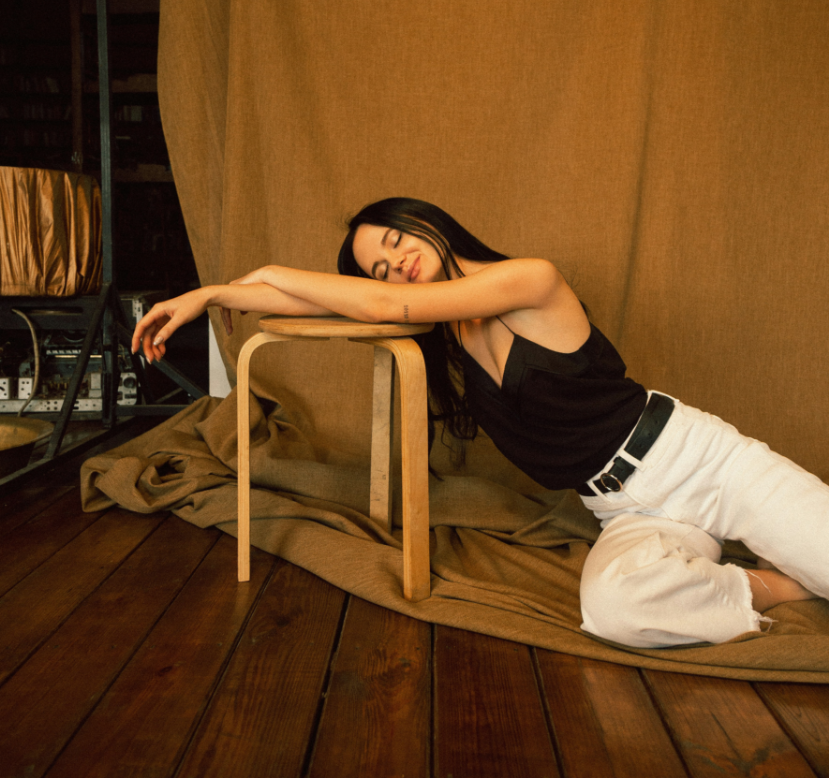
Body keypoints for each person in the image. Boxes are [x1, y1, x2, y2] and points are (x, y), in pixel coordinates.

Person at [132, 196, 828, 649]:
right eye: (381, 265)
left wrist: (250, 275)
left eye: (398, 237)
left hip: (700, 462)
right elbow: (338, 307)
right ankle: (770, 583)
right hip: (623, 508)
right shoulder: (447, 329)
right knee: (613, 609)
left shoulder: (530, 278)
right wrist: (216, 294)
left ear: (428, 221)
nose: (396, 260)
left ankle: (769, 550)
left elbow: (382, 307)